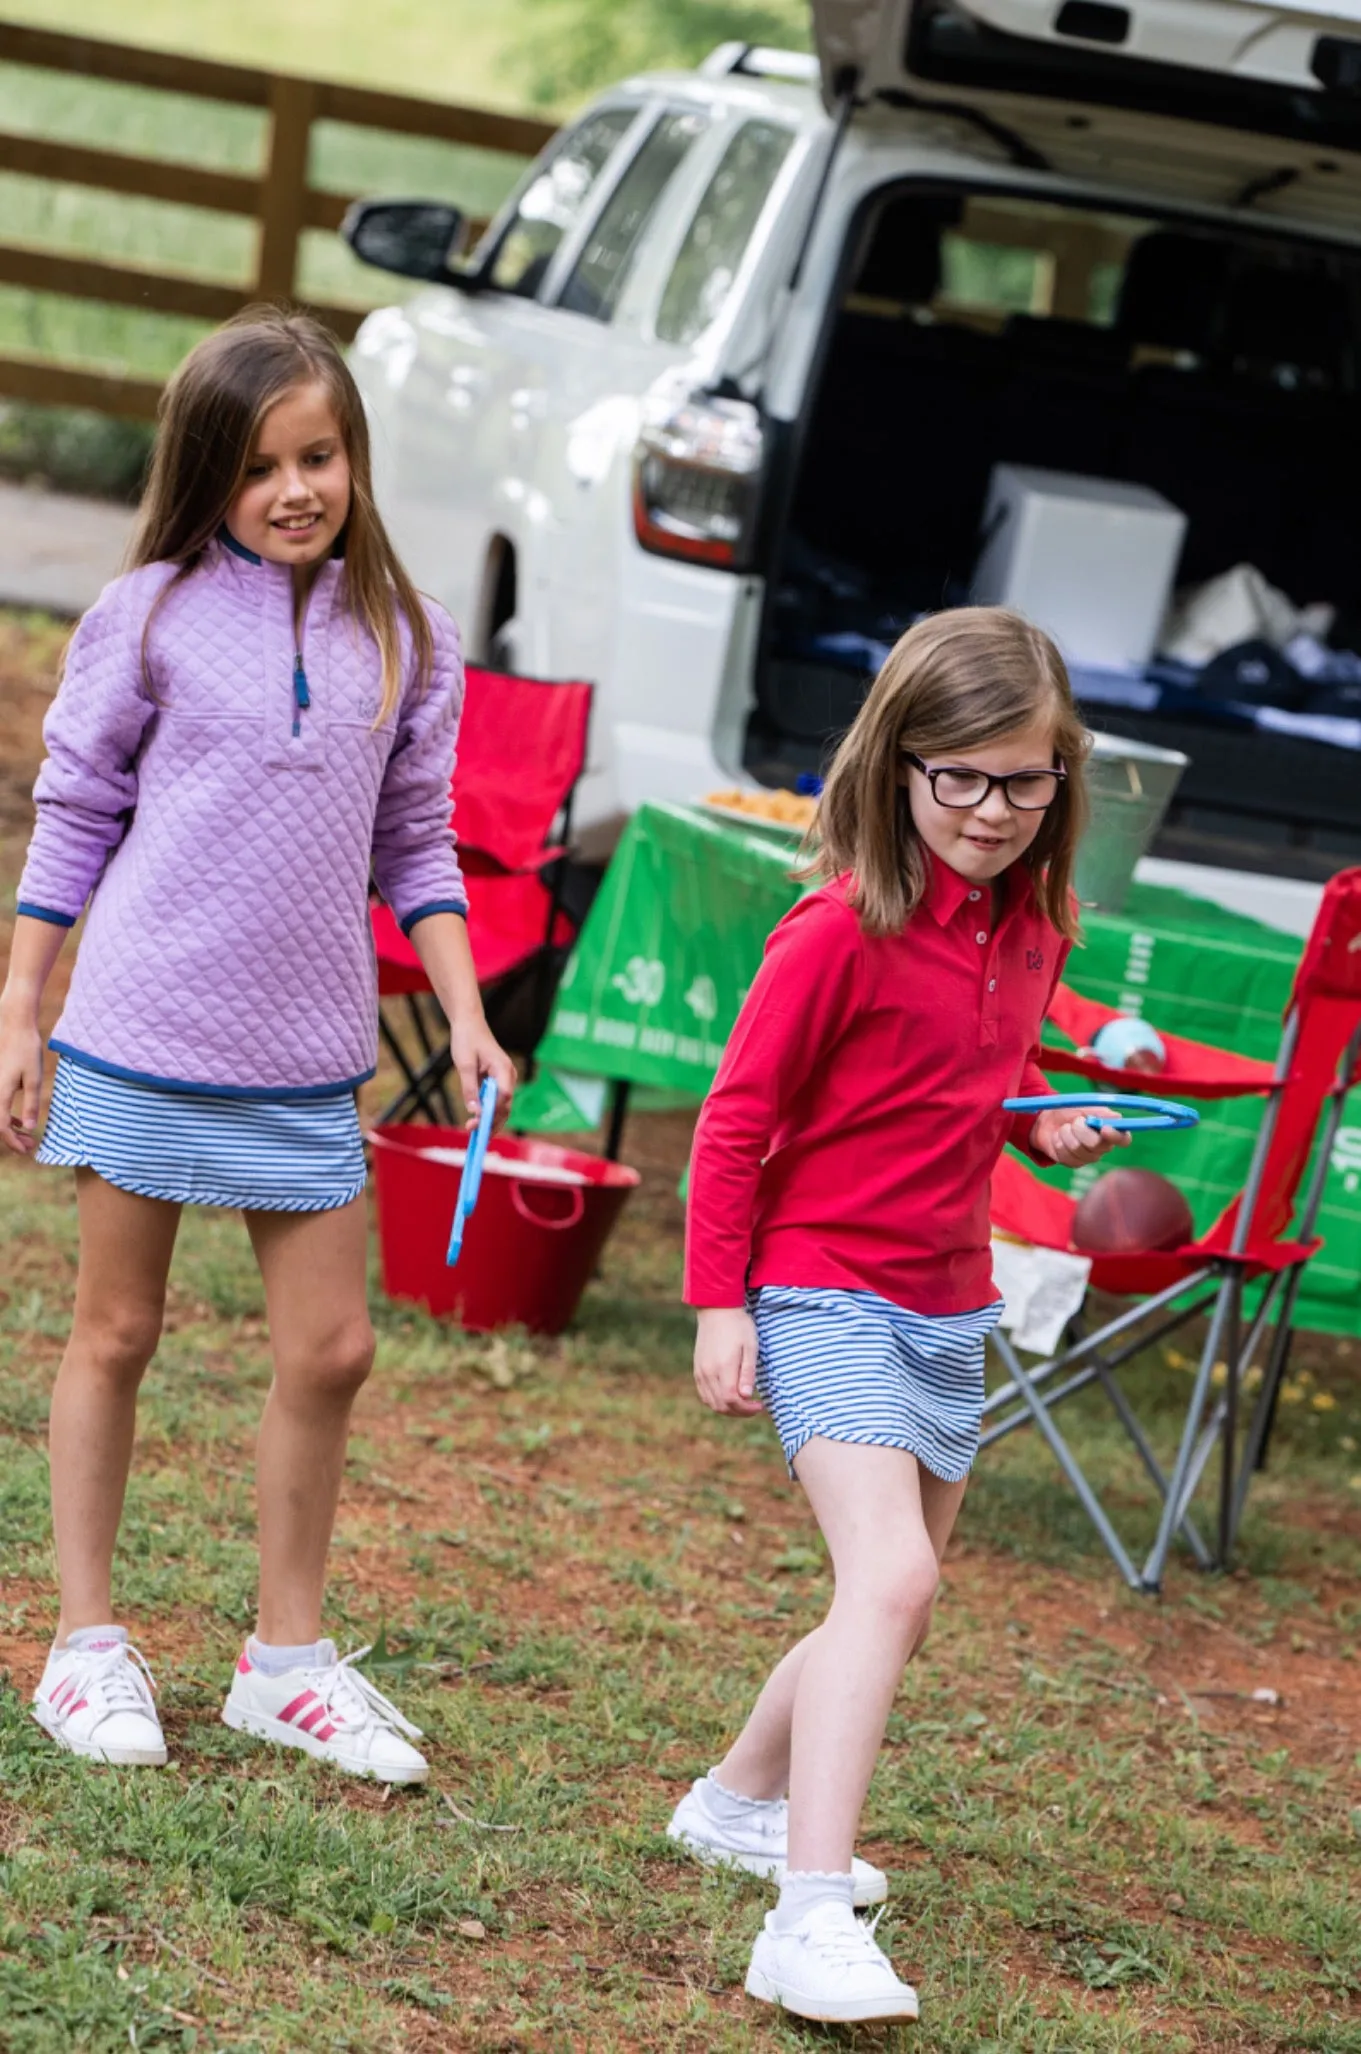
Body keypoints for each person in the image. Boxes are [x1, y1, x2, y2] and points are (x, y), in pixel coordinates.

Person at [0, 307, 515, 1783]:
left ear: (353, 456)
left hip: (304, 1054)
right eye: (259, 465)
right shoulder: (148, 612)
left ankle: (283, 1664)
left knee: (334, 1348)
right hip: (142, 1035)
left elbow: (418, 842)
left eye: (320, 455)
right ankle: (86, 1644)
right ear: (207, 474)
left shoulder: (406, 637)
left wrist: (469, 1014)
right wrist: (22, 1007)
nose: (295, 489)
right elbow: (78, 806)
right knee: (117, 1331)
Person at [669, 607, 1127, 2024]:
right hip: (821, 1284)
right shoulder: (836, 927)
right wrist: (715, 1299)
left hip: (948, 1299)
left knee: (893, 1599)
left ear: (1063, 779)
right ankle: (804, 1917)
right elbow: (735, 1119)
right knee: (894, 1579)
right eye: (961, 777)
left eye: (1024, 779)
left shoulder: (1033, 928)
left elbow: (984, 1072)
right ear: (899, 766)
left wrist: (1042, 1124)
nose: (991, 810)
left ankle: (738, 1795)